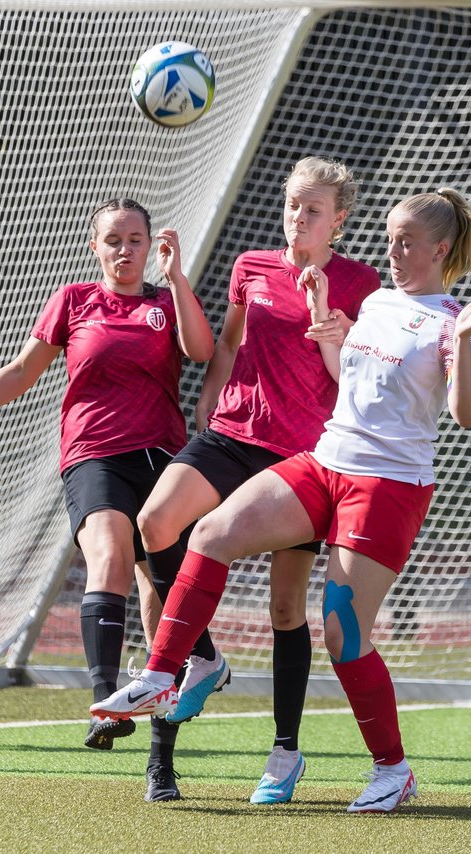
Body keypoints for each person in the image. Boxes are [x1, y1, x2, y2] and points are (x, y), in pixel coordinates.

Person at [92, 189, 471, 814]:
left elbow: (465, 413)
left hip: (388, 485)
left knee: (344, 636)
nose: (391, 249)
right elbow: (350, 383)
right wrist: (329, 325)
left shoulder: (451, 318)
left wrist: (466, 341)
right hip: (325, 461)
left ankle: (393, 769)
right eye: (389, 236)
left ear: (440, 249)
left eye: (406, 241)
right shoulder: (379, 301)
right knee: (209, 534)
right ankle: (162, 674)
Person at [0, 199, 214, 802]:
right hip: (93, 456)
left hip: (163, 460)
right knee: (110, 555)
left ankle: (160, 760)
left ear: (152, 245)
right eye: (113, 239)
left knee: (159, 597)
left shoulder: (166, 303)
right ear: (95, 247)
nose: (125, 249)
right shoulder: (73, 301)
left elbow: (200, 351)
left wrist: (176, 276)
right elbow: (21, 372)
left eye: (136, 239)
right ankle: (104, 703)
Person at [134, 155, 380, 805]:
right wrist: (209, 401)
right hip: (231, 435)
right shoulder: (251, 267)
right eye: (294, 202)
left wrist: (332, 318)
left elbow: (355, 372)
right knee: (155, 522)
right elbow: (228, 346)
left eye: (314, 208)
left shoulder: (361, 281)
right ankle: (205, 660)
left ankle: (285, 751)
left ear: (339, 221)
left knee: (283, 608)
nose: (299, 215)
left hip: (304, 457)